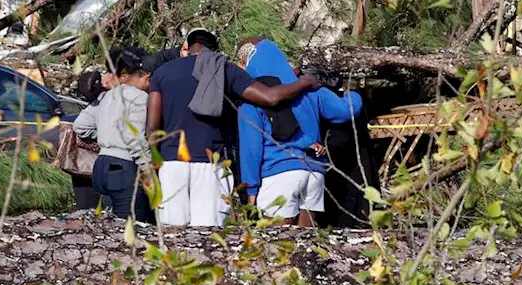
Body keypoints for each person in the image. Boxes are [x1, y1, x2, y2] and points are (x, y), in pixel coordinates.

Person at [146, 28, 321, 227]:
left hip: (172, 163)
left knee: (172, 232)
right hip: (211, 162)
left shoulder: (162, 73)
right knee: (208, 235)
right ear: (214, 48)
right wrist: (304, 83)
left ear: (187, 46)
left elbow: (152, 128)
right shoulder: (224, 69)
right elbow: (270, 97)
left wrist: (156, 164)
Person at [237, 39, 363, 226]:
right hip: (313, 173)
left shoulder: (252, 102)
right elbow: (346, 110)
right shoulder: (309, 90)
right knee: (306, 247)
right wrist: (352, 94)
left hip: (278, 173)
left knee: (277, 246)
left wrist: (251, 190)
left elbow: (251, 150)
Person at [72, 48, 154, 222]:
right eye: (149, 80)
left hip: (101, 166)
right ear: (144, 75)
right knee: (131, 227)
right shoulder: (139, 98)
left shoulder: (107, 96)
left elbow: (80, 126)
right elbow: (135, 138)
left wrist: (105, 133)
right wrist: (148, 170)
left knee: (109, 228)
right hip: (123, 168)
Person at [64, 69, 109, 210]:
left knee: (86, 208)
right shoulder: (107, 101)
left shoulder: (96, 104)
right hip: (101, 165)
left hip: (83, 167)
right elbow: (80, 126)